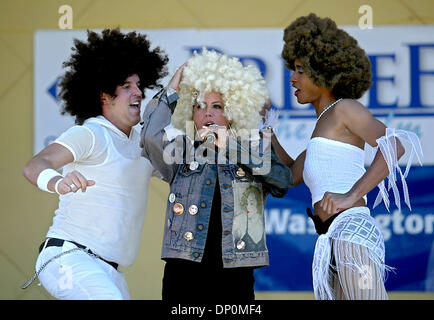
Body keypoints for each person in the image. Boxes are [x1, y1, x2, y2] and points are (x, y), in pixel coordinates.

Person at [272, 13, 423, 300]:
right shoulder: (322, 129)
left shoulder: (344, 109)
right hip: (332, 240)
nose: (293, 77)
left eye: (301, 70)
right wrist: (268, 132)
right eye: (293, 69)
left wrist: (351, 195)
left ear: (325, 71)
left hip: (351, 235)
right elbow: (290, 175)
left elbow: (395, 145)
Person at [21, 28, 168, 299]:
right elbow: (34, 166)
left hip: (109, 271)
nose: (138, 92)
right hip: (68, 258)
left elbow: (182, 170)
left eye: (138, 85)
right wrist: (56, 181)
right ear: (104, 96)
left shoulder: (144, 142)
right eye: (126, 87)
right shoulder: (91, 133)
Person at [140, 49, 293, 301]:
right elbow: (149, 137)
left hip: (235, 273)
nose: (207, 113)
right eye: (199, 106)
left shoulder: (253, 150)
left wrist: (230, 147)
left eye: (217, 106)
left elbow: (282, 182)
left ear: (233, 112)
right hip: (184, 271)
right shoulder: (181, 151)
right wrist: (171, 90)